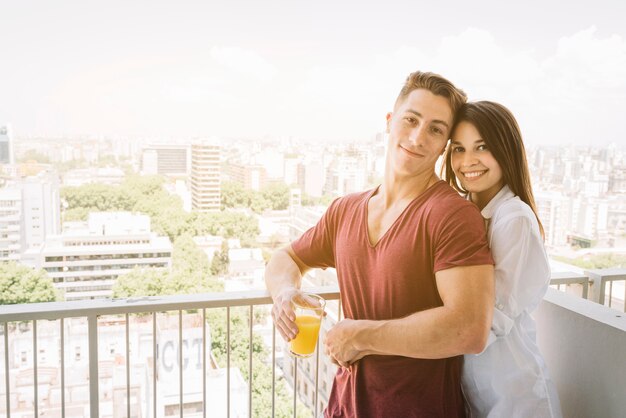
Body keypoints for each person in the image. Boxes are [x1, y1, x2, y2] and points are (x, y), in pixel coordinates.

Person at [265, 71, 495, 418]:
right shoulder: (345, 210)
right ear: (390, 122)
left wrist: (361, 336)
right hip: (343, 406)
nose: (417, 137)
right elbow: (287, 258)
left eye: (435, 129)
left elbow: (469, 328)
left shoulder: (453, 215)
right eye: (411, 120)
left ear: (445, 143)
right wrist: (284, 293)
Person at [444, 101, 562, 417]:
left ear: (504, 149)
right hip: (477, 394)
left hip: (517, 396)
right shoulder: (462, 213)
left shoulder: (514, 219)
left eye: (481, 147)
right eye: (458, 149)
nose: (467, 161)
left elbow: (486, 323)